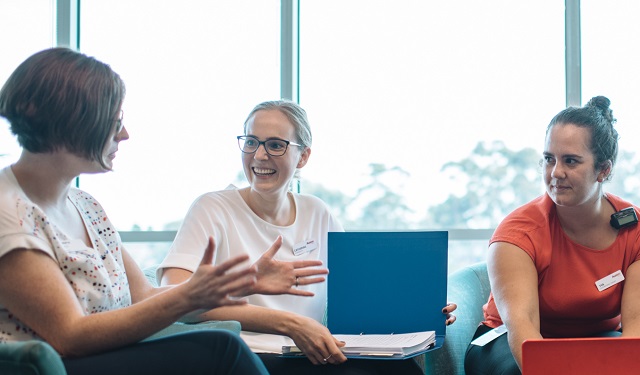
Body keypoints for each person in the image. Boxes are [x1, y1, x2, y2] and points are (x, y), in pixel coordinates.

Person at [0, 48, 294, 374]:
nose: (124, 134)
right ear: (67, 122)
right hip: (62, 364)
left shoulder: (86, 206)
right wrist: (188, 297)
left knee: (217, 347)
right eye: (114, 122)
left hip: (105, 356)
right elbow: (70, 335)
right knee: (219, 350)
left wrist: (235, 284)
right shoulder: (7, 211)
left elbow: (143, 295)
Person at [158, 100, 457, 375]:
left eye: (275, 145)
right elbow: (172, 295)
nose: (259, 155)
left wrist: (419, 308)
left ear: (303, 157)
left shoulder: (316, 211)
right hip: (247, 356)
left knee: (400, 372)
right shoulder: (212, 208)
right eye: (251, 142)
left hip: (312, 351)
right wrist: (288, 323)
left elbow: (360, 293)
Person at [463, 96, 640, 375]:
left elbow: (639, 338)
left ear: (604, 170)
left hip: (595, 338)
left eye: (571, 161)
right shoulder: (518, 233)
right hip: (507, 341)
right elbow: (523, 331)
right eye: (549, 159)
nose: (555, 173)